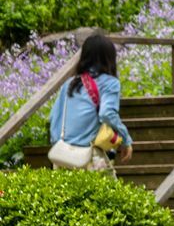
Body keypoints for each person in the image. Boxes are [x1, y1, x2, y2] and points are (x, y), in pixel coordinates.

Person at [49, 32, 133, 172]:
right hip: (89, 157)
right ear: (109, 57)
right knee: (109, 193)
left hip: (62, 157)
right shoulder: (110, 83)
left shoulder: (70, 84)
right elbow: (107, 113)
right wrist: (126, 139)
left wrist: (62, 145)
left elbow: (53, 118)